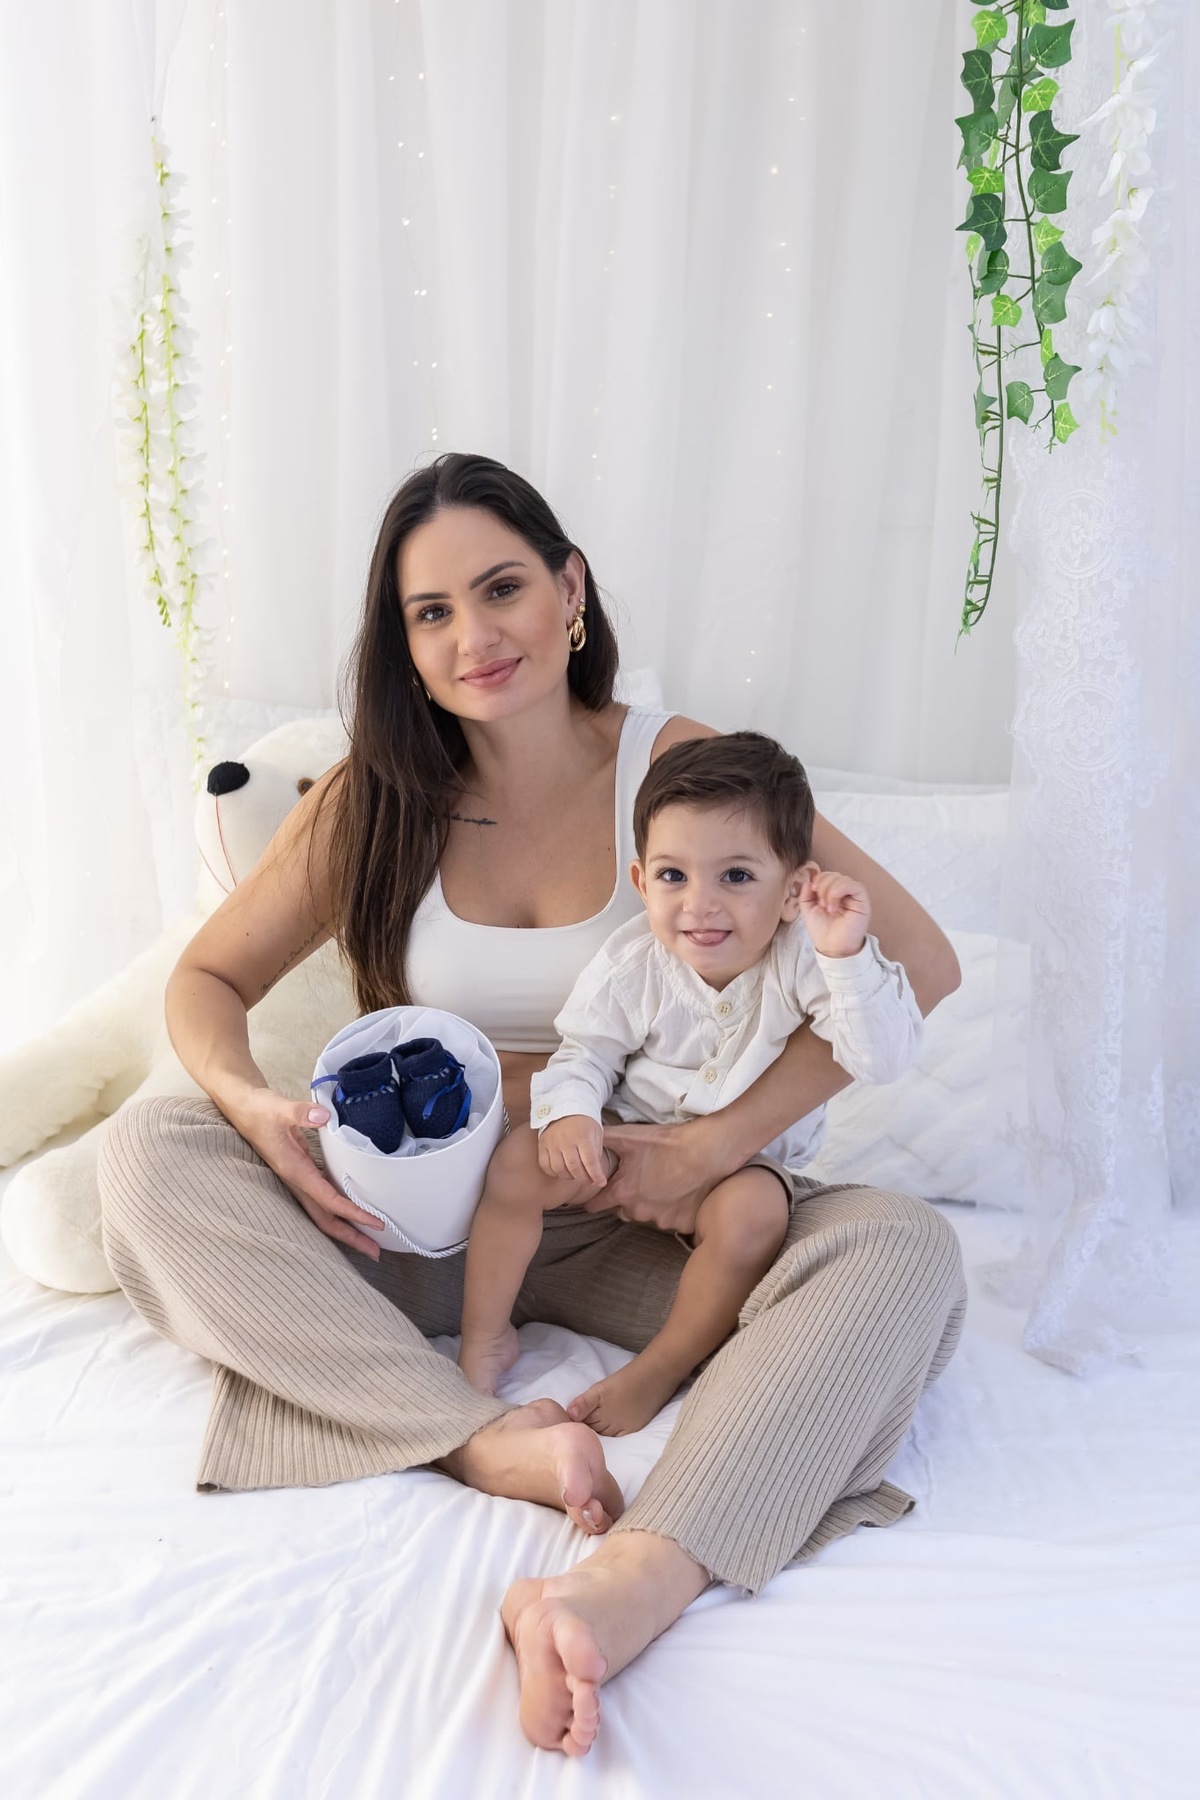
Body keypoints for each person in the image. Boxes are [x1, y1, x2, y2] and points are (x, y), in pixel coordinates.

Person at [97, 452, 967, 1758]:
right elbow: (208, 980)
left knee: (900, 1247)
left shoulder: (682, 775)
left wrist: (709, 1150)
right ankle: (472, 1438)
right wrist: (248, 1100)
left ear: (571, 590)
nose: (472, 636)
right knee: (152, 1145)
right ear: (403, 649)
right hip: (416, 1223)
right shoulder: (373, 801)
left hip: (633, 1225)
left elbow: (921, 968)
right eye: (430, 614)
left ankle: (631, 1581)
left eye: (500, 588)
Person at [458, 731, 923, 1435]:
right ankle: (484, 1333)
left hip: (741, 1167)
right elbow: (582, 1054)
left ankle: (660, 1368)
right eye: (674, 877)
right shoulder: (633, 966)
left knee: (755, 1217)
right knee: (519, 1159)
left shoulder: (812, 964)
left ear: (795, 890)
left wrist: (846, 953)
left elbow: (880, 1058)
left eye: (736, 877)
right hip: (626, 1147)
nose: (700, 905)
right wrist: (571, 1119)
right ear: (643, 882)